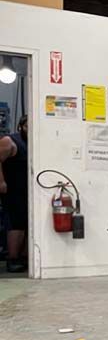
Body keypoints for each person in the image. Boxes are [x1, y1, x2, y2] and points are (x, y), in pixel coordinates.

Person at [0, 116, 28, 273]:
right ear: (21, 126)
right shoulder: (9, 141)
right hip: (12, 189)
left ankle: (24, 257)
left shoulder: (35, 142)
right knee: (15, 223)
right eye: (27, 125)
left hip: (27, 190)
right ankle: (13, 258)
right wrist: (1, 182)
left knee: (26, 223)